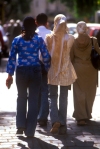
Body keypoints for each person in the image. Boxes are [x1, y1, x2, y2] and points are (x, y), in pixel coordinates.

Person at [6, 16, 51, 138]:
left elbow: (11, 59)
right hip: (35, 71)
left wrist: (9, 75)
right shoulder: (38, 40)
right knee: (33, 100)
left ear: (23, 27)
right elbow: (46, 56)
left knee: (21, 98)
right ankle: (30, 130)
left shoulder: (17, 40)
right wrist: (47, 69)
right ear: (34, 26)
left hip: (21, 72)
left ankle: (20, 126)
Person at [45, 14, 77, 135]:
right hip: (66, 71)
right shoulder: (71, 38)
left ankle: (54, 121)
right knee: (64, 97)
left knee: (52, 96)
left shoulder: (49, 37)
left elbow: (45, 55)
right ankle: (62, 123)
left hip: (52, 71)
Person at [70, 21, 100, 126]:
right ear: (86, 29)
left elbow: (71, 57)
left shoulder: (73, 41)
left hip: (78, 69)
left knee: (78, 93)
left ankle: (80, 117)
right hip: (91, 69)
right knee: (90, 92)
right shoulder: (93, 40)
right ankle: (87, 114)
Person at [35, 13, 52, 126]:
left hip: (33, 67)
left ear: (36, 22)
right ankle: (42, 117)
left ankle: (34, 115)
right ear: (47, 22)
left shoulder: (32, 34)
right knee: (45, 91)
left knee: (34, 92)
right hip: (47, 67)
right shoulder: (50, 34)